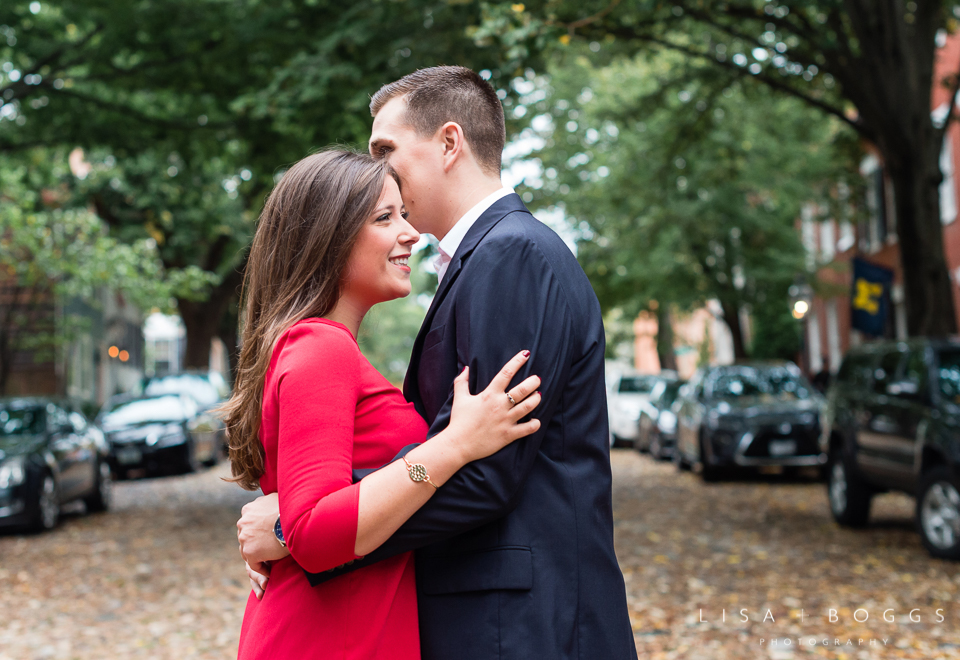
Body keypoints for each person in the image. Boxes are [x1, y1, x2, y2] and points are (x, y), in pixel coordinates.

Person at [238, 66, 637, 660]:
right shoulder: (485, 261)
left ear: (450, 142)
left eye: (386, 149)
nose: (380, 167)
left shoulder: (512, 256)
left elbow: (485, 472)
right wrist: (309, 521)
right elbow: (457, 452)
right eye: (381, 216)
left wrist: (294, 530)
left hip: (522, 626)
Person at [221, 148, 543, 660]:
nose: (411, 234)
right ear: (328, 237)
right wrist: (453, 447)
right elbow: (313, 533)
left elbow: (303, 514)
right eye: (384, 217)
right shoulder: (320, 348)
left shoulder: (322, 348)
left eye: (405, 215)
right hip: (327, 637)